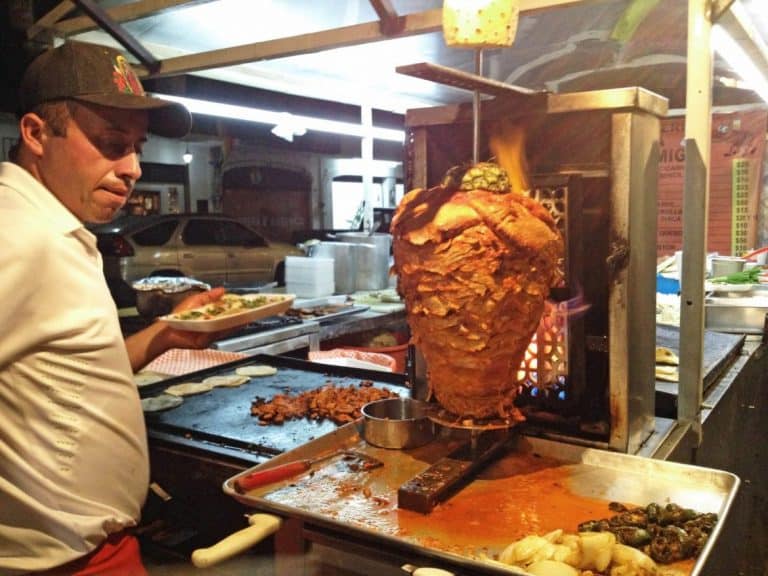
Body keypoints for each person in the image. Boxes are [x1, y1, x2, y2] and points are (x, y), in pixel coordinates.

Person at [0, 41, 226, 575]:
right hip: (59, 563)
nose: (132, 169)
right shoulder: (19, 236)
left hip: (92, 550)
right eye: (110, 144)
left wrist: (163, 336)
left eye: (137, 147)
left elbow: (67, 371)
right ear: (35, 134)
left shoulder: (52, 226)